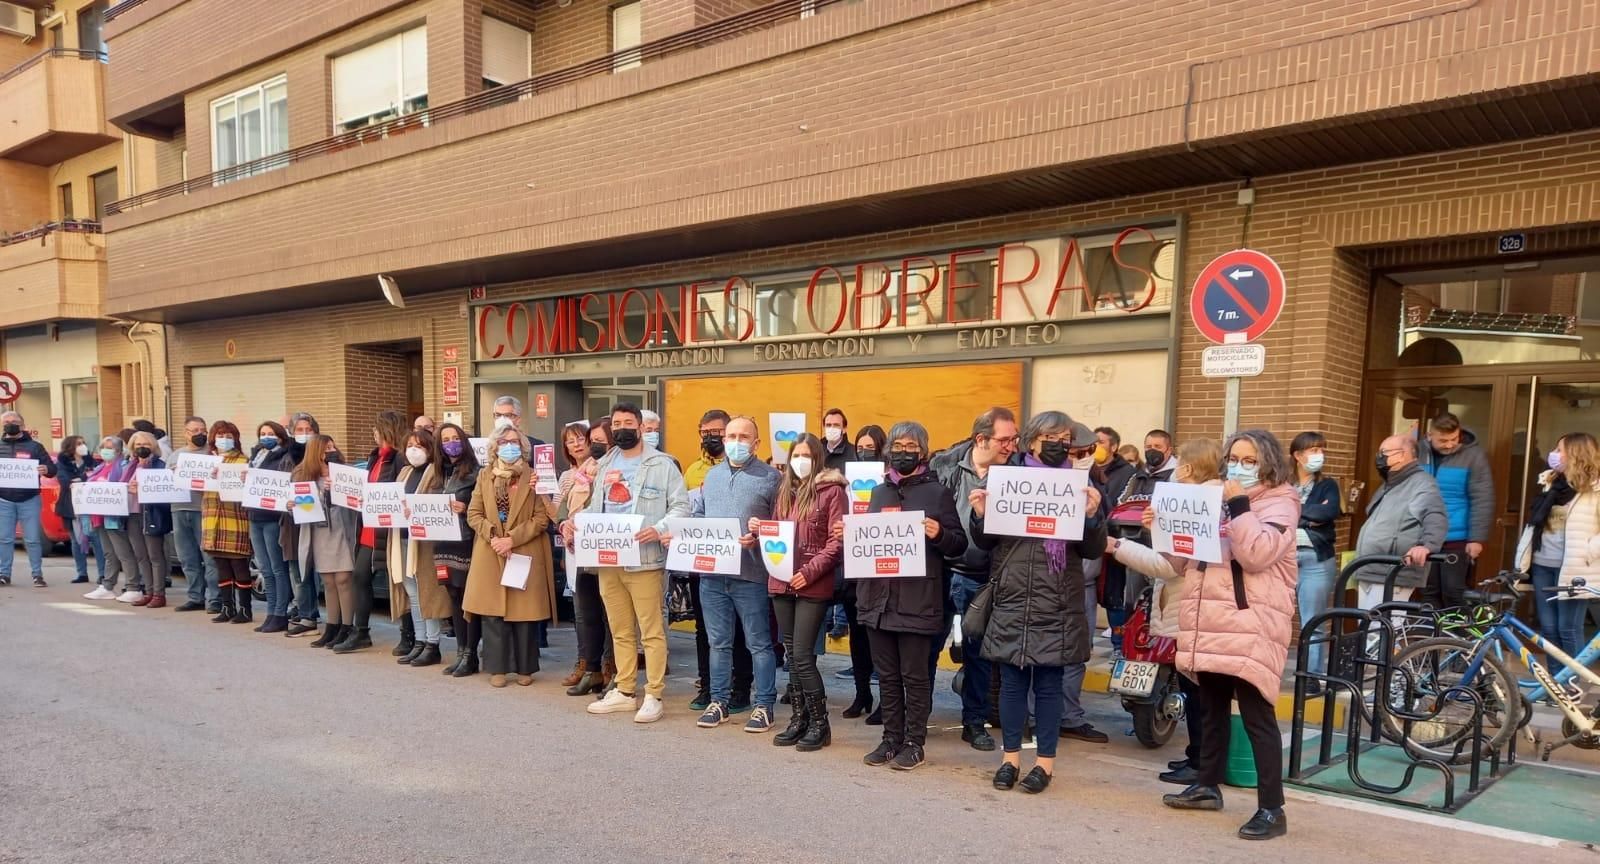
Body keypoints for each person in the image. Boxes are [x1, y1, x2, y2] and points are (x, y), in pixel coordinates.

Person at [1156, 430, 1300, 842]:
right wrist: (1164, 531)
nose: (1238, 465)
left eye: (1249, 459)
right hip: (1210, 619)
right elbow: (1185, 562)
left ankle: (1272, 809)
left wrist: (1237, 504)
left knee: (1257, 717)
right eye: (1233, 457)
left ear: (1268, 462)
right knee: (1210, 708)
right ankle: (1206, 785)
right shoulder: (1213, 499)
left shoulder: (1280, 502)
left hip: (1249, 621)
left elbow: (1257, 554)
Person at [968, 411, 1107, 794]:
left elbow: (1093, 548)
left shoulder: (1081, 486)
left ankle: (1044, 764)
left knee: (1048, 685)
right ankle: (1010, 759)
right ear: (1031, 441)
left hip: (1057, 598)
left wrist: (1094, 517)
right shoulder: (1004, 480)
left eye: (1064, 437)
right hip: (1013, 596)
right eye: (1051, 436)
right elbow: (984, 543)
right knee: (1011, 683)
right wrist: (980, 515)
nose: (1059, 443)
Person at [564, 402, 690, 723]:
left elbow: (680, 507)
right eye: (616, 423)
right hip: (608, 558)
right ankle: (624, 690)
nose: (622, 428)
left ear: (640, 427)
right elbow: (597, 506)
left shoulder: (662, 465)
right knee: (620, 630)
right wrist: (575, 520)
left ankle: (654, 693)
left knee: (650, 631)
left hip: (645, 560)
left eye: (628, 422)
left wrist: (659, 529)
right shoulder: (606, 463)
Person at [1109, 438, 1224, 786]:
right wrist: (1154, 526)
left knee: (1201, 694)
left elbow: (1171, 564)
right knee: (1194, 691)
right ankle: (1195, 757)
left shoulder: (1201, 502)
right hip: (1183, 604)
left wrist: (1118, 547)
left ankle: (1203, 765)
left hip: (1191, 605)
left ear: (1187, 468)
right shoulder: (1198, 500)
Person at [854, 420, 967, 771]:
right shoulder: (877, 492)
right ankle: (891, 738)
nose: (903, 452)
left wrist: (938, 534)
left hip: (918, 600)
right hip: (878, 601)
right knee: (886, 676)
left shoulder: (938, 493)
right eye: (897, 446)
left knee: (915, 676)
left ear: (923, 451)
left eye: (910, 447)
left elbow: (959, 544)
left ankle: (915, 742)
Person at [930, 406, 1019, 752]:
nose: (1012, 445)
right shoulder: (944, 465)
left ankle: (973, 722)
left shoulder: (1017, 477)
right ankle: (916, 716)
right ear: (981, 439)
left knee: (977, 654)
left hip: (983, 576)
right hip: (940, 571)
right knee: (927, 646)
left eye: (1014, 438)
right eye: (1005, 439)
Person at [690, 415, 782, 733]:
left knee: (759, 643)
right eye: (731, 435)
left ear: (756, 443)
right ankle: (719, 702)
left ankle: (763, 705)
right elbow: (699, 515)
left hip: (751, 574)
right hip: (713, 575)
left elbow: (782, 525)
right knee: (718, 643)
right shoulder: (712, 477)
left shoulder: (772, 478)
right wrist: (684, 533)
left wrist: (760, 535)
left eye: (744, 436)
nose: (736, 441)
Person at [760, 432, 847, 750]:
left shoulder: (832, 491)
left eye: (806, 455)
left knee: (802, 655)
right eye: (795, 455)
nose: (800, 461)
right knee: (792, 657)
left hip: (813, 584)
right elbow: (775, 534)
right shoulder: (784, 490)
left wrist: (807, 573)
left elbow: (835, 543)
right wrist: (760, 530)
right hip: (781, 582)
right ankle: (799, 719)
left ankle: (820, 724)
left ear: (817, 459)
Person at [466, 425, 559, 687]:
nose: (510, 445)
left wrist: (512, 539)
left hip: (524, 549)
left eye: (515, 442)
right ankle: (497, 668)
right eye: (504, 441)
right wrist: (493, 536)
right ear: (495, 447)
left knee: (524, 614)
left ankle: (525, 668)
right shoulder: (485, 476)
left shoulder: (535, 476)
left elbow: (542, 518)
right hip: (490, 550)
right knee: (493, 613)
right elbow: (474, 513)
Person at [681, 410, 754, 712]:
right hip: (707, 565)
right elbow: (691, 515)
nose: (713, 437)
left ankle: (741, 688)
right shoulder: (695, 471)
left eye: (718, 431)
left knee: (740, 632)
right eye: (706, 432)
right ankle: (708, 686)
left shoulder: (754, 473)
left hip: (742, 566)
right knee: (706, 631)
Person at [1522, 433, 1600, 658]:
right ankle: (1556, 687)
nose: (1554, 455)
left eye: (1559, 450)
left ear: (1575, 454)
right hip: (1543, 564)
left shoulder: (1595, 490)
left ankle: (1573, 686)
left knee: (1568, 629)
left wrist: (1587, 552)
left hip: (1575, 569)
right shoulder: (1550, 483)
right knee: (1548, 630)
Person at [1353, 435, 1447, 612]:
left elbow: (1435, 516)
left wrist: (1426, 546)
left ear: (1403, 455)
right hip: (1371, 568)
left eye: (1385, 452)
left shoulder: (1422, 484)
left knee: (1381, 630)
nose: (1380, 457)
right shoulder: (1391, 484)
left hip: (1392, 571)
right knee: (1369, 630)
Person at [556, 418, 615, 695]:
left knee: (610, 614)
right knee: (586, 611)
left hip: (608, 548)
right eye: (592, 441)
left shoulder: (614, 469)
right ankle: (590, 668)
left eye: (598, 441)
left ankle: (610, 669)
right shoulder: (576, 474)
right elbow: (561, 511)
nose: (590, 445)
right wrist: (566, 524)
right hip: (580, 548)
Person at [1105, 429, 1178, 653]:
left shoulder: (1176, 476)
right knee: (1132, 599)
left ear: (1169, 450)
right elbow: (1120, 503)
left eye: (1157, 447)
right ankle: (1129, 646)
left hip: (1163, 550)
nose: (1151, 451)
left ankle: (1161, 648)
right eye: (1148, 447)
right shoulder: (1137, 475)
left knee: (1161, 602)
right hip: (1134, 545)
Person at [341, 410, 406, 654]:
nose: (374, 433)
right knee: (360, 576)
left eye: (377, 428)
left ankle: (408, 633)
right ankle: (361, 632)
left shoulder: (399, 458)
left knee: (398, 582)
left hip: (389, 528)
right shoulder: (374, 458)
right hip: (369, 527)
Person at [834, 423, 889, 713]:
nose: (865, 453)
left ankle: (885, 702)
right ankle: (862, 693)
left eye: (871, 448)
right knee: (858, 636)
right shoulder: (847, 480)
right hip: (854, 568)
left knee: (878, 638)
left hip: (880, 568)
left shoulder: (891, 483)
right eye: (861, 448)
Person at [1419, 412, 1495, 611]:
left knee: (1454, 591)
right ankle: (1432, 640)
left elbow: (1482, 498)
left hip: (1457, 536)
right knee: (1428, 591)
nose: (1450, 444)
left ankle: (1460, 638)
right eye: (1443, 440)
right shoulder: (1417, 453)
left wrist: (1476, 538)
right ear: (1429, 436)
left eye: (1454, 439)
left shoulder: (1473, 456)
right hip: (1423, 536)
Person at [389, 429, 449, 667]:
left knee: (427, 592)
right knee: (412, 592)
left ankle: (433, 644)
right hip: (402, 538)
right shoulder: (404, 472)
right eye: (410, 445)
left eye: (420, 445)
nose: (414, 450)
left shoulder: (436, 472)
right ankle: (420, 641)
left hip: (424, 543)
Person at [1290, 432, 1341, 694]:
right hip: (1282, 558)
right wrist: (1308, 516)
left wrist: (1295, 514)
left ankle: (1312, 675)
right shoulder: (1282, 483)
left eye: (1321, 449)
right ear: (1297, 456)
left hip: (1316, 559)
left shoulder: (1328, 485)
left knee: (1314, 619)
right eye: (1312, 450)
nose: (1318, 454)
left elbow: (1329, 511)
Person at [299, 436, 361, 650]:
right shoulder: (307, 476)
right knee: (328, 581)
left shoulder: (345, 474)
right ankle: (331, 627)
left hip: (343, 530)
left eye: (333, 447)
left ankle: (347, 626)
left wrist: (338, 486)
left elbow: (357, 501)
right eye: (326, 449)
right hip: (321, 532)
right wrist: (292, 504)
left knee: (343, 578)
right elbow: (302, 504)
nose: (330, 452)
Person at [433, 422, 483, 675]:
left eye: (455, 438)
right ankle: (461, 651)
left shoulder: (476, 472)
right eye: (445, 439)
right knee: (452, 595)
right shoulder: (437, 473)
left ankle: (471, 654)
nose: (451, 443)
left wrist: (465, 508)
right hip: (441, 543)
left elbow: (483, 506)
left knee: (467, 598)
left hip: (464, 541)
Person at [202, 422, 255, 623]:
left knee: (239, 565)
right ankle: (227, 607)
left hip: (234, 517)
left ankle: (245, 609)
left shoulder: (243, 461)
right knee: (221, 565)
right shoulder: (207, 461)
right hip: (211, 518)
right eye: (220, 434)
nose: (224, 438)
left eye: (228, 435)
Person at [166, 417, 220, 612]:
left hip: (205, 510)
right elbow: (164, 483)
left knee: (210, 557)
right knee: (187, 557)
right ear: (185, 433)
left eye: (202, 430)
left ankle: (215, 599)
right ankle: (195, 597)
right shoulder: (175, 456)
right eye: (194, 430)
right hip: (179, 509)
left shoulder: (213, 454)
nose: (199, 433)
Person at [246, 421, 295, 632]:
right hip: (255, 516)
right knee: (265, 569)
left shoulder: (284, 457)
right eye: (262, 433)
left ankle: (280, 613)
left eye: (271, 433)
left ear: (280, 436)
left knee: (278, 568)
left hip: (273, 518)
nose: (266, 437)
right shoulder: (256, 457)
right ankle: (271, 612)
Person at [0, 410, 56, 587]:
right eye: (7, 421)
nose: (10, 423)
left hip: (29, 499)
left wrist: (46, 470)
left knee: (32, 539)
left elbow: (52, 468)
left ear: (22, 425)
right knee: (5, 539)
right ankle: (4, 574)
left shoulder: (35, 447)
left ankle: (37, 575)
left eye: (14, 421)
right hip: (4, 500)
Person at [84, 437, 141, 602]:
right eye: (104, 447)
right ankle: (107, 585)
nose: (106, 450)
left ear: (118, 451)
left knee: (123, 552)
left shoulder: (123, 467)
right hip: (100, 516)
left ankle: (133, 587)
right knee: (109, 553)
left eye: (110, 448)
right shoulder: (100, 467)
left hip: (115, 516)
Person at [124, 431, 175, 608]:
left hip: (151, 514)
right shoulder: (130, 466)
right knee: (141, 555)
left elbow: (164, 491)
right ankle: (149, 590)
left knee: (155, 555)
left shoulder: (159, 466)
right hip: (133, 514)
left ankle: (159, 594)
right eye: (138, 445)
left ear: (153, 446)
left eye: (146, 444)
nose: (142, 448)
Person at [283, 412, 322, 635]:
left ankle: (310, 616)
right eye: (300, 430)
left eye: (308, 430)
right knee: (295, 570)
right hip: (291, 523)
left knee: (309, 571)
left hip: (314, 522)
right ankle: (302, 610)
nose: (304, 434)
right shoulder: (285, 456)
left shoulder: (321, 457)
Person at [55, 435, 105, 586]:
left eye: (83, 443)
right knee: (76, 540)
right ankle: (81, 573)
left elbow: (97, 478)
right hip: (70, 506)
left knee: (96, 540)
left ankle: (103, 573)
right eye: (78, 444)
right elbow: (65, 481)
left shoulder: (91, 462)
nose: (82, 446)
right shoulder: (63, 462)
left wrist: (80, 478)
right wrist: (83, 478)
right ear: (70, 447)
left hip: (90, 505)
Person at [1094, 426, 1138, 506]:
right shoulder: (1086, 469)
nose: (1095, 446)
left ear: (1113, 447)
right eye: (1094, 442)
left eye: (1100, 442)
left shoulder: (1127, 473)